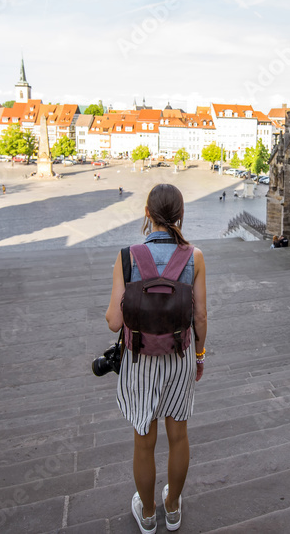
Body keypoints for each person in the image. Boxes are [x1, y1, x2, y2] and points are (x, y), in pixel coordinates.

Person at [105, 184, 208, 534]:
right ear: (181, 215)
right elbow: (201, 317)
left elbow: (114, 322)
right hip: (179, 355)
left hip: (139, 361)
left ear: (147, 214)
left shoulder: (128, 256)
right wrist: (199, 354)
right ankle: (173, 508)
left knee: (143, 437)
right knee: (178, 435)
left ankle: (147, 514)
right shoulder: (194, 257)